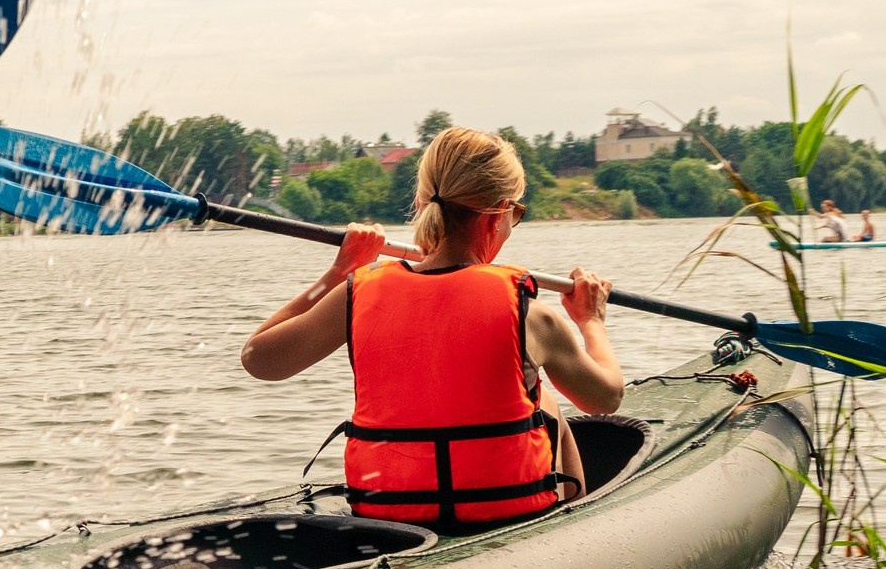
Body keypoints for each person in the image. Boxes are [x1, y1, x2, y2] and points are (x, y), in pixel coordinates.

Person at [241, 127, 624, 530]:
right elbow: (605, 397)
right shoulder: (529, 313)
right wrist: (591, 321)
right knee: (544, 401)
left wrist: (338, 273)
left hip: (389, 514)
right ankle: (574, 529)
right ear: (500, 214)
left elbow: (259, 360)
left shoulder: (356, 295)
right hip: (504, 510)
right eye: (517, 215)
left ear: (421, 202)